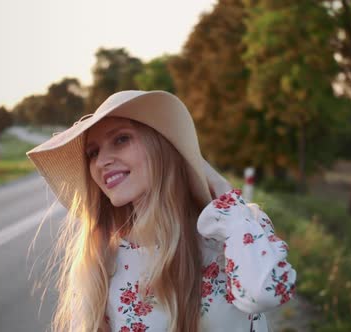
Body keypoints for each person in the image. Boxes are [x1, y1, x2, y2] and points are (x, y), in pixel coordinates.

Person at [26, 90, 296, 332]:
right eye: (92, 153)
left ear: (162, 146)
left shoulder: (235, 232)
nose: (102, 162)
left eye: (121, 139)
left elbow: (267, 292)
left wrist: (218, 185)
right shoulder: (100, 260)